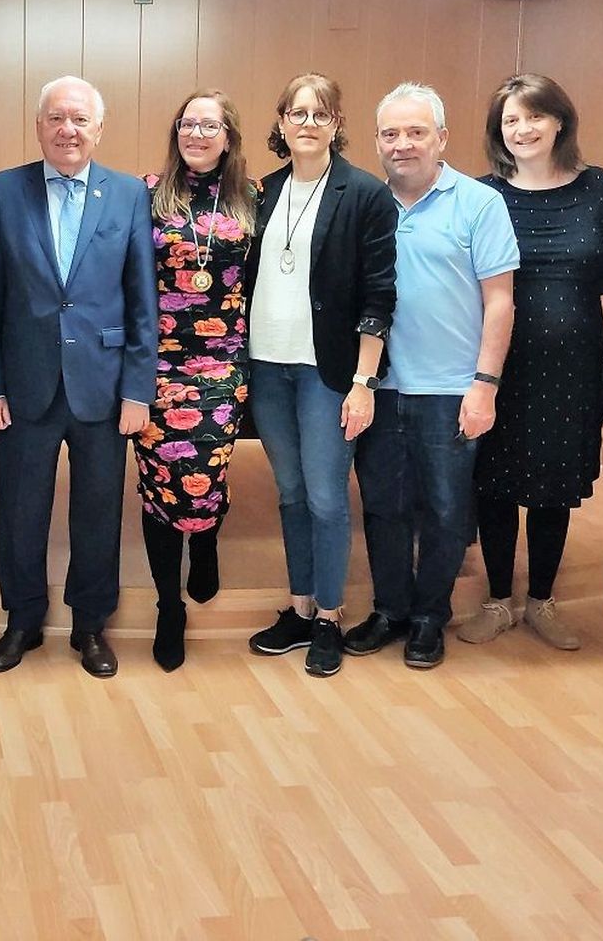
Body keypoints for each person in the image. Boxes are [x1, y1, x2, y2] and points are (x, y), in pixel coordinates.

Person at [0, 75, 157, 678]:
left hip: (103, 387)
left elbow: (141, 301)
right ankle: (22, 621)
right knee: (20, 510)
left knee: (99, 512)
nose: (67, 129)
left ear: (98, 129)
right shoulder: (4, 190)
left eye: (79, 119)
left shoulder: (128, 194)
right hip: (25, 385)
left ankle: (89, 626)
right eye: (56, 118)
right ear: (38, 126)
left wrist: (137, 390)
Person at [345, 82, 519, 670]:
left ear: (442, 138)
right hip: (379, 387)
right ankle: (391, 609)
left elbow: (500, 302)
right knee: (382, 507)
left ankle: (428, 618)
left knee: (446, 511)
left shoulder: (479, 204)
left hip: (451, 390)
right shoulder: (362, 203)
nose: (402, 145)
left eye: (416, 132)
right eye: (390, 134)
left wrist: (485, 384)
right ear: (376, 142)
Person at [245, 74, 397, 678]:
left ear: (337, 123)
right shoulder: (261, 191)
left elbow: (380, 294)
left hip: (328, 372)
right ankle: (300, 606)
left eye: (321, 113)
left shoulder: (363, 194)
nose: (307, 122)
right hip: (267, 366)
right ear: (280, 121)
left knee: (328, 496)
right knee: (290, 493)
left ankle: (330, 615)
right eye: (297, 112)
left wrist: (364, 381)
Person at [460, 74, 603, 651]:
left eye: (533, 116)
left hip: (574, 358)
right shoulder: (482, 194)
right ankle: (499, 600)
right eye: (510, 120)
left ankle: (542, 601)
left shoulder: (598, 186)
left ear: (559, 121)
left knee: (555, 485)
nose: (522, 129)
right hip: (500, 360)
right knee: (495, 483)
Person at [133, 90, 255, 672]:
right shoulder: (147, 194)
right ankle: (167, 606)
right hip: (159, 366)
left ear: (229, 136)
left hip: (224, 366)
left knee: (207, 475)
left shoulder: (254, 200)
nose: (198, 133)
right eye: (188, 123)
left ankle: (204, 541)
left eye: (210, 125)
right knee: (160, 484)